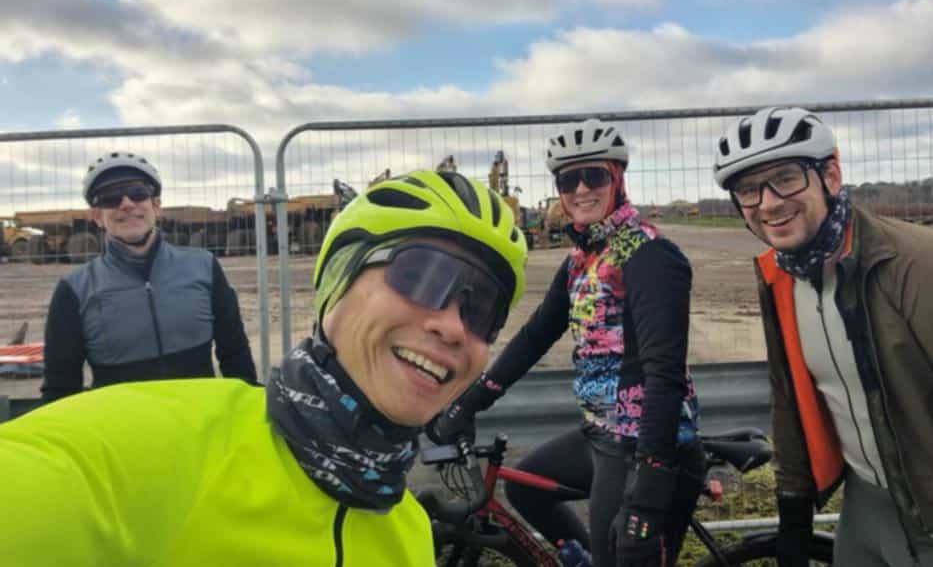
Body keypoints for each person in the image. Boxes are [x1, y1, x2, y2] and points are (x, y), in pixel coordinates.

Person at [0, 169, 527, 566]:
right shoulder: (124, 452)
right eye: (422, 276)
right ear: (337, 285)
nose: (453, 327)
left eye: (482, 310)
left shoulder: (408, 534)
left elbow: (233, 346)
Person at [430, 118, 704, 567]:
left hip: (647, 446)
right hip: (601, 434)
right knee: (525, 488)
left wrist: (651, 487)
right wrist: (469, 404)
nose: (580, 190)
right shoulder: (583, 258)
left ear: (617, 179)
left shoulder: (650, 254)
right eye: (567, 180)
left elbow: (664, 373)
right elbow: (536, 335)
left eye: (593, 176)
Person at [713, 106, 933, 566]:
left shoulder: (913, 265)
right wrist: (794, 512)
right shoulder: (782, 277)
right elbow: (789, 399)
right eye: (749, 190)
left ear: (830, 175)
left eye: (786, 178)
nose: (769, 203)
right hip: (866, 504)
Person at [40, 151, 258, 400]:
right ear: (97, 217)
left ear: (156, 205)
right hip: (121, 424)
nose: (126, 203)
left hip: (198, 419)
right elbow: (60, 388)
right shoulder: (74, 289)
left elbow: (236, 355)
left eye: (137, 192)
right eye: (110, 197)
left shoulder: (204, 267)